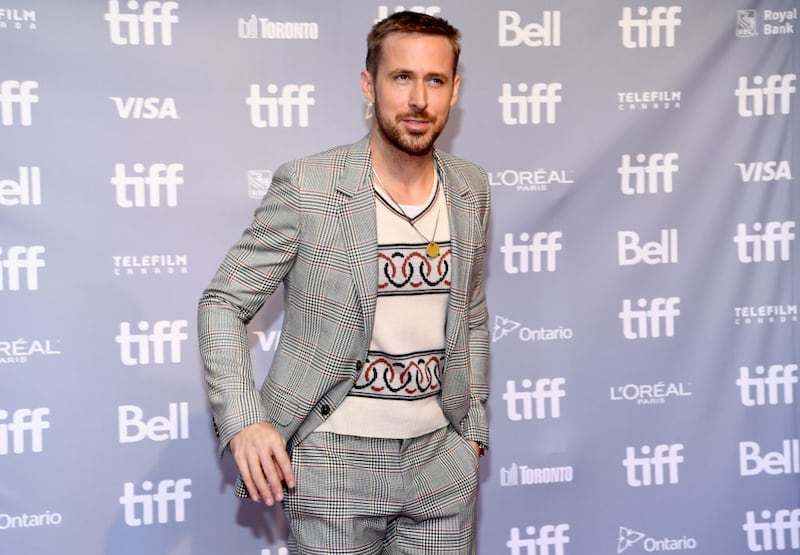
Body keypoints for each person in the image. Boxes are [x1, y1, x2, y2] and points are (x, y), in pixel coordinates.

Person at [198, 10, 490, 555]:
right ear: (369, 84)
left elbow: (470, 311)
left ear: (454, 90)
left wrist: (471, 433)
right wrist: (244, 420)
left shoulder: (471, 188)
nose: (419, 100)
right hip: (333, 459)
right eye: (402, 77)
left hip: (442, 461)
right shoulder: (309, 185)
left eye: (435, 80)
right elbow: (222, 303)